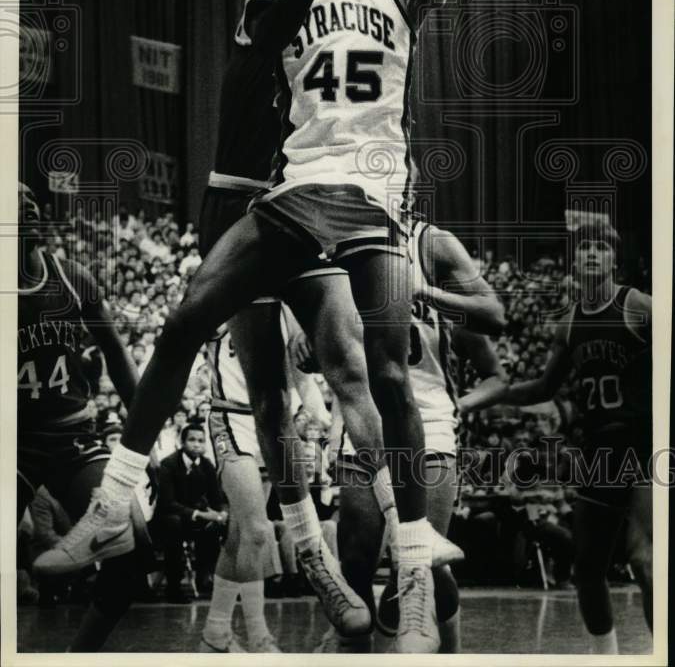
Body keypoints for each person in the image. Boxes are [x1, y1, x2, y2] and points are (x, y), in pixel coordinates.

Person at [40, 0, 625, 655]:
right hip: (289, 193)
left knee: (382, 372)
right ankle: (114, 501)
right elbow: (278, 7)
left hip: (369, 203)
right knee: (188, 316)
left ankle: (412, 542)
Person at [309, 219, 507, 653]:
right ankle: (349, 646)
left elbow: (495, 316)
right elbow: (315, 347)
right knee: (356, 560)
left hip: (429, 421)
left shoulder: (430, 244)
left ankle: (448, 650)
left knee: (422, 565)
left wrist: (421, 290)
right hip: (363, 420)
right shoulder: (338, 241)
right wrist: (310, 341)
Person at [492, 219, 652, 653]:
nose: (593, 253)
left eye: (601, 247)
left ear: (614, 259)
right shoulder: (569, 322)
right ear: (573, 262)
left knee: (644, 558)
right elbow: (544, 388)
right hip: (599, 448)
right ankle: (608, 657)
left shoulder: (639, 306)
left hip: (644, 444)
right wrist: (492, 395)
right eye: (585, 248)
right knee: (586, 567)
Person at [17, 183, 144, 652]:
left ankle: (79, 656)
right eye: (11, 199)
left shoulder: (71, 277)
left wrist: (141, 437)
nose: (26, 200)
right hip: (14, 440)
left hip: (74, 436)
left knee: (132, 552)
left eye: (28, 196)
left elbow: (119, 358)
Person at [200, 303, 330, 653]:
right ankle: (259, 636)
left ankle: (215, 630)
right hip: (231, 418)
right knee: (258, 531)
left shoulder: (289, 306)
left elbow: (304, 379)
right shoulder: (226, 291)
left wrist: (322, 422)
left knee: (240, 533)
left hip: (274, 424)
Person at [152, 422, 225, 602]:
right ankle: (173, 587)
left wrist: (221, 513)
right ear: (182, 442)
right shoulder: (168, 465)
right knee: (173, 524)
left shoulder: (207, 465)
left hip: (197, 517)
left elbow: (217, 499)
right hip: (170, 518)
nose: (197, 444)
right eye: (192, 440)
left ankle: (207, 577)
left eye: (201, 440)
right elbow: (167, 503)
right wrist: (200, 514)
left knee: (219, 526)